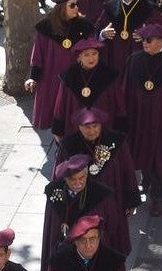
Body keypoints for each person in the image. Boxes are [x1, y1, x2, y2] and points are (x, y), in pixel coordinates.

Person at [120, 22, 162, 217]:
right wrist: (122, 118)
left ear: (161, 42)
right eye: (143, 39)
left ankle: (158, 198)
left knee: (161, 157)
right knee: (141, 151)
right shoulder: (134, 60)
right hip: (138, 119)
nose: (145, 43)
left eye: (149, 40)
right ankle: (146, 179)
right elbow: (125, 91)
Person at [55, 106, 141, 252]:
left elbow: (127, 171)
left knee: (112, 239)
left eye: (95, 126)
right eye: (86, 127)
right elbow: (59, 177)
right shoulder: (68, 145)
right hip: (82, 205)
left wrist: (131, 200)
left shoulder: (116, 141)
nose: (92, 130)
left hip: (112, 201)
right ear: (79, 127)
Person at [40, 157, 115, 271]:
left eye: (82, 178)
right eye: (72, 180)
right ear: (65, 179)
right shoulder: (55, 193)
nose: (78, 183)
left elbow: (109, 225)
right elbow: (51, 225)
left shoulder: (99, 194)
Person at [26, 0, 94, 131]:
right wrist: (33, 77)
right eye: (72, 5)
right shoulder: (46, 28)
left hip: (76, 78)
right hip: (52, 78)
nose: (76, 8)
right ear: (62, 8)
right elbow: (38, 54)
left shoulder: (84, 26)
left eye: (76, 5)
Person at [51, 35, 122, 140]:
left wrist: (120, 130)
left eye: (94, 54)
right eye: (86, 55)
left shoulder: (109, 75)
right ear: (79, 57)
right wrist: (58, 130)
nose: (91, 58)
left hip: (104, 127)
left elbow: (119, 104)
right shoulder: (69, 76)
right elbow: (60, 105)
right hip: (75, 128)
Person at [99, 0, 162, 75]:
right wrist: (103, 33)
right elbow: (96, 30)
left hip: (140, 62)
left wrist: (149, 35)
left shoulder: (149, 8)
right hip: (115, 62)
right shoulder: (109, 7)